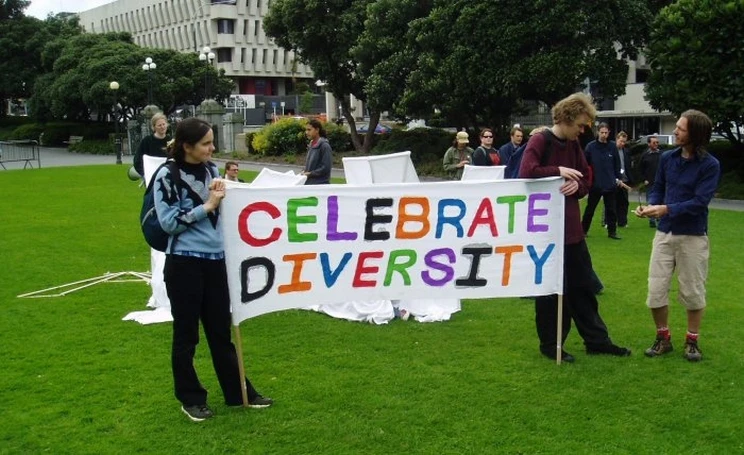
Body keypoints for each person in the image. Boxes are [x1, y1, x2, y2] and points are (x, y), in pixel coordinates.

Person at [153, 118, 273, 422]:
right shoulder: (167, 174)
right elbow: (168, 223)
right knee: (186, 336)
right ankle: (191, 398)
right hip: (184, 265)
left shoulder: (210, 170)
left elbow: (220, 209)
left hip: (215, 262)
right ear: (186, 146)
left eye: (211, 141)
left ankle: (239, 392)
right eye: (206, 143)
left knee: (221, 332)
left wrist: (223, 197)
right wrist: (207, 205)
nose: (212, 148)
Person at [519, 92, 630, 363]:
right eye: (580, 125)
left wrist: (577, 186)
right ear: (566, 118)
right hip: (546, 232)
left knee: (583, 288)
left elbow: (585, 177)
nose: (583, 131)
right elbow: (526, 172)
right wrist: (558, 171)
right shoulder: (539, 140)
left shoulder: (575, 144)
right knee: (552, 293)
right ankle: (551, 345)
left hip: (571, 231)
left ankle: (597, 340)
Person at [634, 109, 720, 362]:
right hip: (664, 234)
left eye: (681, 128)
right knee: (655, 290)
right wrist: (651, 206)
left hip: (693, 236)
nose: (675, 131)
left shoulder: (710, 165)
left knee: (693, 291)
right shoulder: (668, 158)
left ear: (695, 133)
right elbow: (658, 187)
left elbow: (700, 202)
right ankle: (663, 338)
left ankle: (692, 341)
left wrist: (666, 209)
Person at [581, 123, 623, 239]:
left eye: (606, 132)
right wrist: (587, 180)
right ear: (597, 132)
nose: (604, 135)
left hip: (610, 184)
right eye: (602, 132)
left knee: (611, 210)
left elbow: (617, 164)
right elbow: (585, 165)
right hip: (595, 184)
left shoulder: (612, 147)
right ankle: (583, 231)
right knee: (590, 209)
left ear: (609, 133)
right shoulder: (591, 147)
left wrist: (618, 178)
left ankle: (612, 232)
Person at [133, 113, 170, 178]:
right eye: (159, 125)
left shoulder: (171, 141)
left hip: (168, 176)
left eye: (164, 124)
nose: (162, 127)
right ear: (154, 127)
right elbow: (137, 160)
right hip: (150, 176)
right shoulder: (147, 141)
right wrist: (144, 174)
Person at [637, 135, 662, 228]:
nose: (656, 144)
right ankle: (651, 220)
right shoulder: (645, 155)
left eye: (657, 142)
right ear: (649, 144)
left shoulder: (661, 154)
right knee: (651, 201)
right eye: (654, 142)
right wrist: (644, 179)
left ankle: (659, 218)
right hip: (650, 182)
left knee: (661, 200)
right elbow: (640, 169)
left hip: (660, 182)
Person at [302, 118, 332, 185]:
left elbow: (326, 168)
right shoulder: (311, 145)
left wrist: (310, 174)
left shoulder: (324, 146)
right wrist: (304, 171)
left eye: (309, 130)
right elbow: (310, 166)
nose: (306, 132)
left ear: (317, 130)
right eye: (306, 130)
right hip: (309, 184)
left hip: (320, 186)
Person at [614, 131, 634, 227]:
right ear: (617, 139)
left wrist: (631, 179)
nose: (623, 143)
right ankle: (609, 221)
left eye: (624, 142)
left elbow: (628, 166)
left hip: (625, 179)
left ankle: (623, 222)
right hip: (614, 180)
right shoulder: (611, 150)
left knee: (624, 203)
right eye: (621, 141)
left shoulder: (626, 151)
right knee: (612, 202)